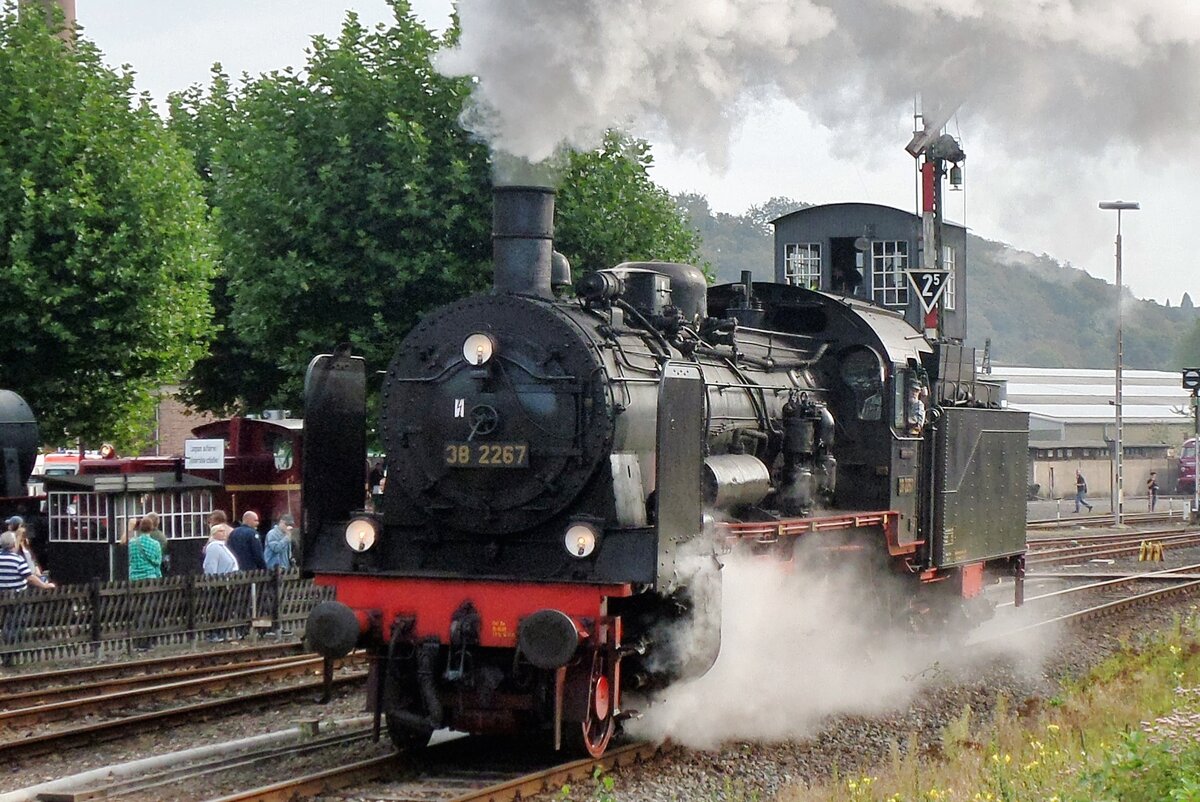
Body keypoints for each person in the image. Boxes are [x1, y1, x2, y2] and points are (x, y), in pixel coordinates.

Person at [202, 524, 239, 642]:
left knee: (224, 608)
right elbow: (210, 566)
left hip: (226, 583)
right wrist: (213, 581)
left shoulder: (222, 546)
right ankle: (214, 633)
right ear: (214, 533)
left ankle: (221, 632)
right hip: (220, 584)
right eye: (221, 531)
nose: (224, 533)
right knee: (218, 608)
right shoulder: (214, 547)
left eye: (224, 531)